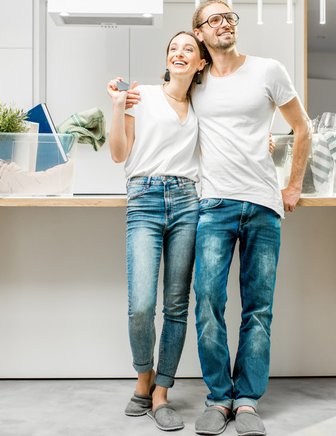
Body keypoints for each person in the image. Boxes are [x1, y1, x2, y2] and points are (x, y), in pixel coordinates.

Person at [189, 0, 312, 436]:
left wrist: (293, 184)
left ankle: (246, 402)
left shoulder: (267, 70)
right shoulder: (193, 81)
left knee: (259, 309)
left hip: (262, 205)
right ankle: (218, 397)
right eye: (214, 19)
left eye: (230, 17)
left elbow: (302, 127)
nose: (225, 23)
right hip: (214, 206)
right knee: (208, 304)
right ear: (200, 34)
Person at [107, 31, 208, 432]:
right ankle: (143, 377)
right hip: (144, 198)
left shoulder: (204, 106)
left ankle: (162, 391)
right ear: (167, 60)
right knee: (141, 306)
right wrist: (117, 107)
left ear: (201, 63)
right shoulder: (141, 95)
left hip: (188, 202)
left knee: (177, 306)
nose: (179, 53)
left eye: (189, 49)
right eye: (173, 48)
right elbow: (119, 154)